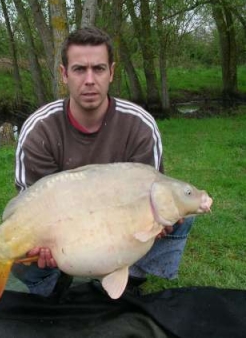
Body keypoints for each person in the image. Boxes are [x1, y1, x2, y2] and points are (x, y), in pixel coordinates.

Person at [12, 27, 193, 298]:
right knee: (23, 248)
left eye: (98, 69)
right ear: (64, 74)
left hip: (120, 227)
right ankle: (56, 282)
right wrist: (41, 247)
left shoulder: (140, 125)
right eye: (78, 70)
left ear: (111, 72)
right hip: (63, 230)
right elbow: (32, 207)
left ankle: (129, 278)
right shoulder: (40, 130)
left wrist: (162, 220)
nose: (89, 80)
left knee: (180, 210)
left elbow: (153, 199)